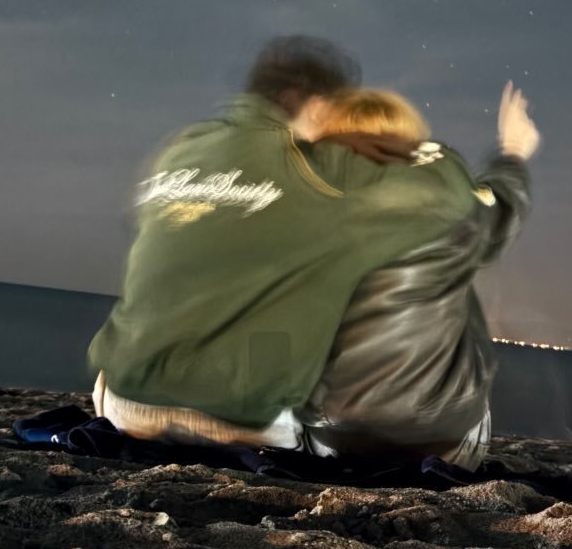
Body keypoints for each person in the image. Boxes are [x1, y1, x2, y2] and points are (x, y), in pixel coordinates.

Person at [87, 36, 499, 451]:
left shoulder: (181, 149)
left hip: (121, 403)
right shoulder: (321, 171)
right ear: (319, 107)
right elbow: (454, 195)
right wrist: (407, 147)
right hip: (238, 420)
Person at [298, 84, 537, 469]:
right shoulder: (453, 202)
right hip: (441, 437)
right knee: (454, 281)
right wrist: (512, 151)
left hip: (335, 434)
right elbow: (504, 205)